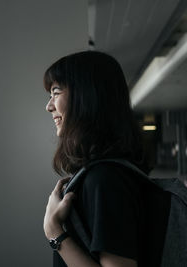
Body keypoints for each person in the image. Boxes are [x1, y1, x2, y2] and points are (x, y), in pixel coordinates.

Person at [42, 51, 170, 267]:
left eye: (56, 92)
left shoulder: (105, 180)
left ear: (86, 96)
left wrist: (54, 232)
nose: (49, 106)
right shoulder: (108, 174)